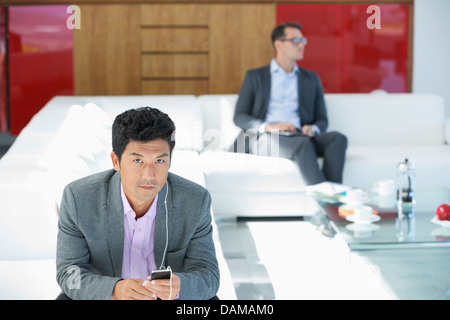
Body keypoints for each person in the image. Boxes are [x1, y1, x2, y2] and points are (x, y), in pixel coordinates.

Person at [56, 107, 219, 300]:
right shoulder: (79, 198)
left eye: (159, 161)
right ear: (116, 161)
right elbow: (69, 273)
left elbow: (208, 275)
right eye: (137, 160)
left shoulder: (195, 201)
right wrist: (113, 290)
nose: (149, 175)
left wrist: (180, 287)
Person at [234, 22, 347, 185]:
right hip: (267, 138)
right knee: (302, 145)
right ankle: (330, 204)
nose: (302, 45)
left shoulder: (311, 78)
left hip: (301, 135)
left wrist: (313, 128)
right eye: (295, 41)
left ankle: (332, 196)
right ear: (278, 44)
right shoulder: (255, 77)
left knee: (338, 139)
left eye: (303, 40)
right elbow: (239, 117)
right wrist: (269, 126)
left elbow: (322, 119)